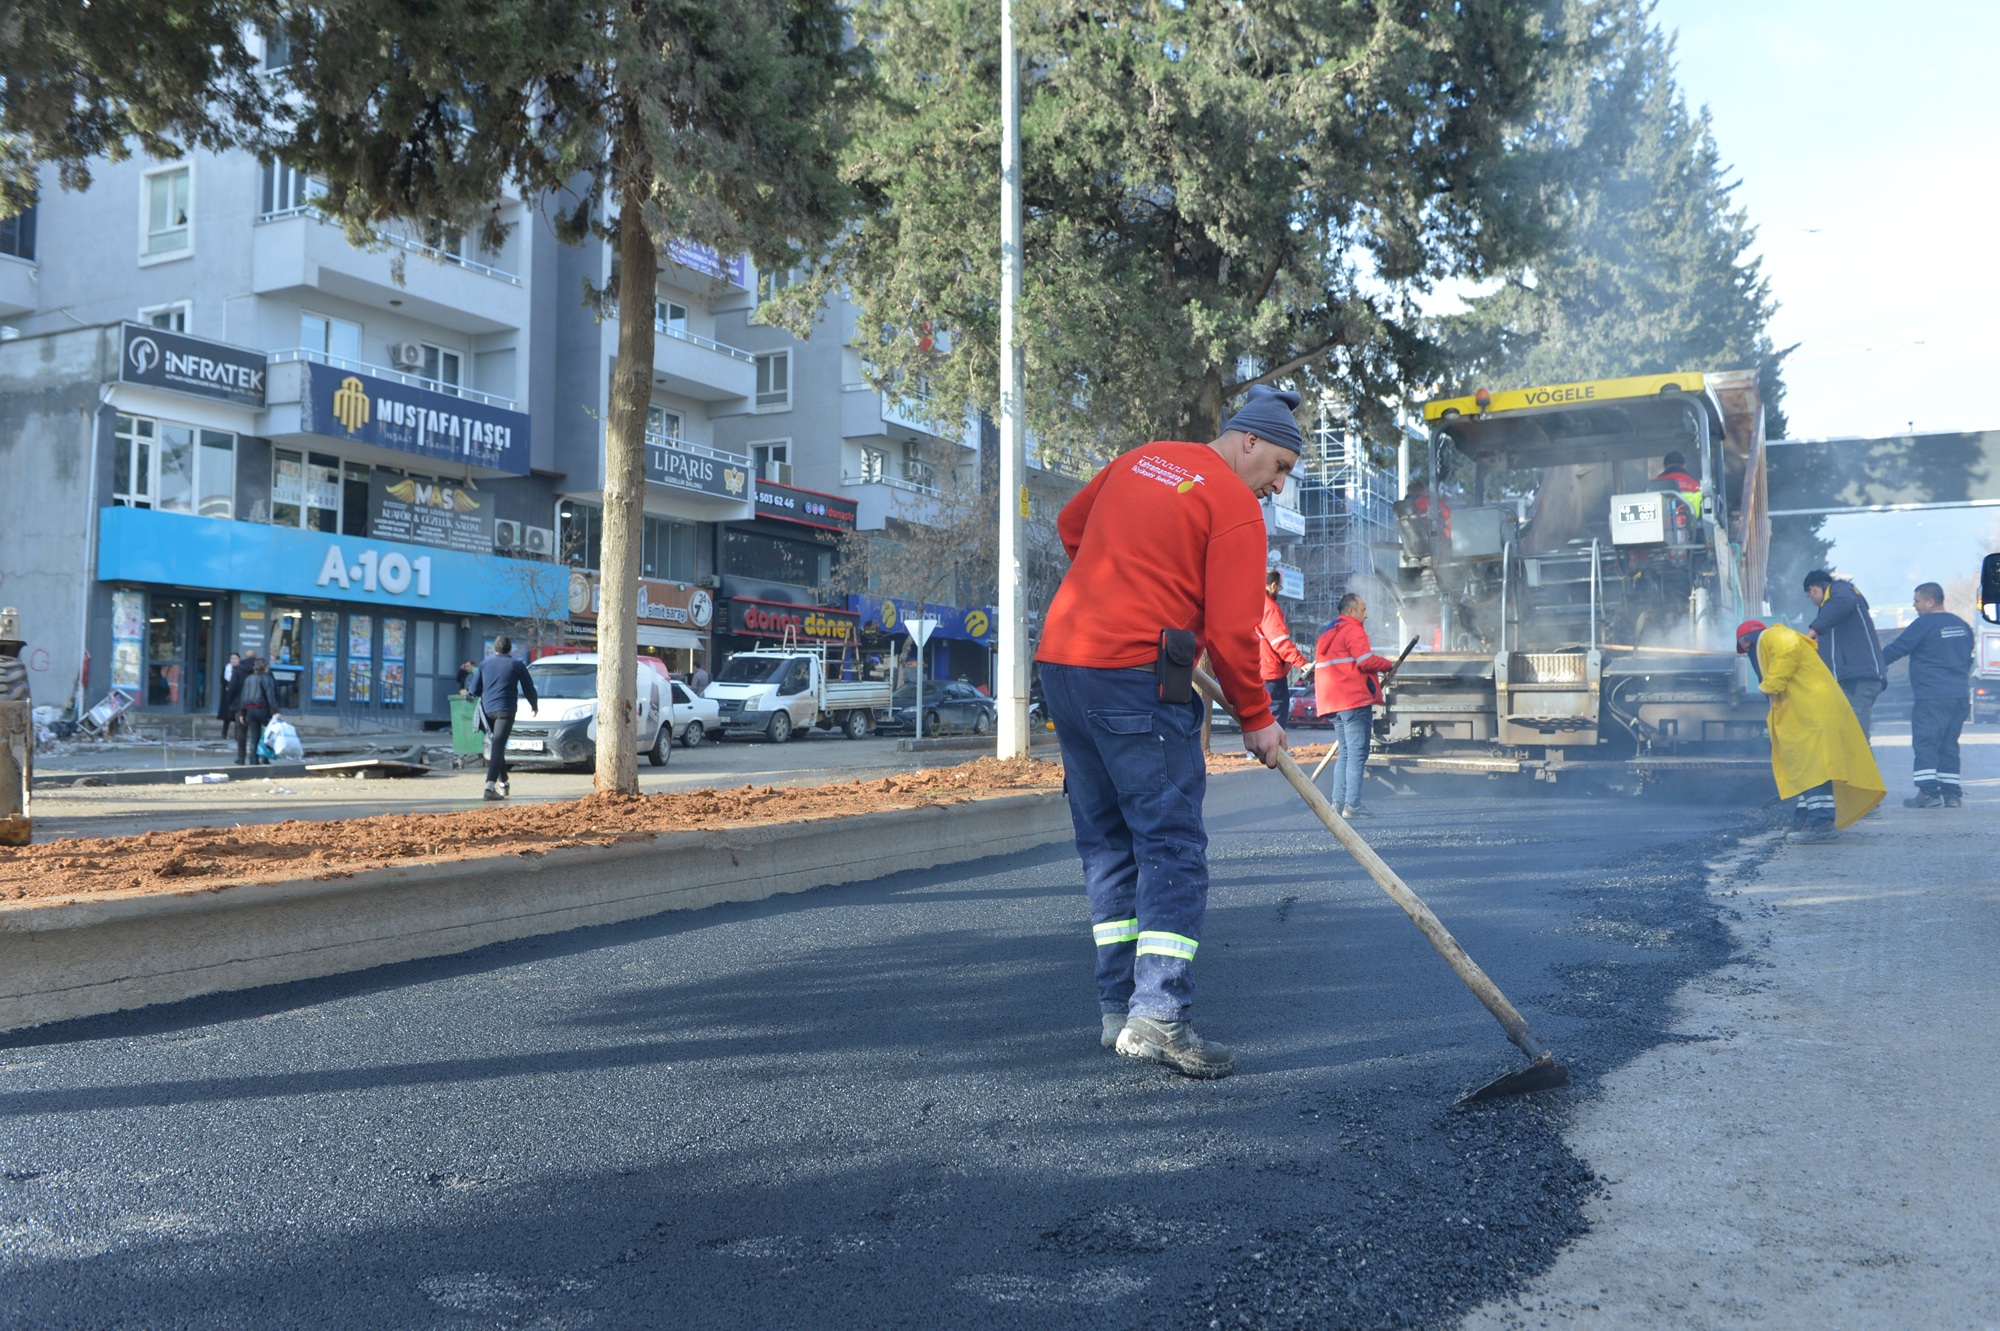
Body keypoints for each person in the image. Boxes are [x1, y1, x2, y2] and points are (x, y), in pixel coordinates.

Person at [1036, 382, 1297, 1080]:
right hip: (1130, 677)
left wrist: (1121, 591)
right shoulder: (1233, 503)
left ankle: (1118, 1011)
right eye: (1278, 466)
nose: (1276, 485)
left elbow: (1070, 525)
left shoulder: (1142, 458)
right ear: (1249, 440)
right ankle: (1159, 1013)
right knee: (1171, 844)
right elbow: (1236, 634)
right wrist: (1259, 721)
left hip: (1064, 663)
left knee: (1107, 842)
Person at [1736, 619, 1884, 841]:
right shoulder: (1768, 641)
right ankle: (1805, 819)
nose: (1748, 652)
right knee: (1805, 767)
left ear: (1747, 639)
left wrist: (1770, 685)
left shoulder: (1772, 635)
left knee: (1815, 765)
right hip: (1806, 712)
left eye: (1746, 646)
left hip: (1813, 713)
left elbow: (1788, 648)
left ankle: (1821, 823)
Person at [1880, 582, 1974, 808]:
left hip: (1932, 697)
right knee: (1949, 744)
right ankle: (1952, 795)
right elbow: (1968, 658)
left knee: (1926, 743)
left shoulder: (1923, 625)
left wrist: (1872, 665)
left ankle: (1928, 793)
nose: (1914, 605)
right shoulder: (1961, 625)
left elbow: (1896, 649)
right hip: (1959, 696)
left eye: (1917, 600)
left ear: (1930, 601)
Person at [1314, 592, 1395, 819]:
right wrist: (1388, 665)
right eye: (1363, 610)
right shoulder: (1353, 629)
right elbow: (1365, 660)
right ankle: (1353, 805)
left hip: (1333, 703)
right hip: (1353, 702)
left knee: (1346, 754)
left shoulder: (1327, 634)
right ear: (1351, 611)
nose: (1366, 615)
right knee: (1357, 754)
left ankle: (1337, 804)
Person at [1802, 569, 1886, 739]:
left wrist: (1811, 634)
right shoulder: (1831, 606)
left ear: (1813, 590)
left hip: (1860, 678)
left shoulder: (1841, 591)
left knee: (1857, 740)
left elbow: (1842, 604)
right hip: (1849, 679)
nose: (1812, 602)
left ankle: (1864, 767)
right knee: (1844, 738)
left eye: (1809, 597)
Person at [465, 636, 540, 800]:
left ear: (495, 649)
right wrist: (534, 705)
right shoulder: (516, 664)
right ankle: (489, 787)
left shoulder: (485, 664)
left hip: (488, 709)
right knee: (498, 745)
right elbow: (528, 687)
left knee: (496, 745)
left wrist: (470, 695)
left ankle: (504, 782)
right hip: (506, 710)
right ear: (509, 649)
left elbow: (474, 690)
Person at [1257, 570, 1309, 726]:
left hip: (1253, 669)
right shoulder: (1269, 607)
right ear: (1273, 585)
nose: (1278, 591)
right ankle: (1273, 750)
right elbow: (1280, 642)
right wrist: (1301, 663)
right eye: (1279, 587)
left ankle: (1255, 751)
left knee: (1258, 718)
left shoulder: (1248, 603)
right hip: (1270, 674)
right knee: (1275, 715)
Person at [234, 659, 276, 766]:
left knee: (254, 736)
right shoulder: (267, 678)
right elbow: (270, 696)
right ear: (265, 668)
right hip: (263, 709)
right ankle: (265, 757)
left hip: (250, 710)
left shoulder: (248, 679)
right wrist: (275, 711)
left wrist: (242, 712)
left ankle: (254, 759)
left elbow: (244, 696)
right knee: (269, 734)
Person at [1651, 450, 1703, 516]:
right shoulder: (1696, 485)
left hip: (1659, 525)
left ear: (1665, 467)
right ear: (1684, 466)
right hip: (1691, 524)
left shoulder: (1652, 485)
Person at [217, 651, 243, 739]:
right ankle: (224, 733)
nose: (233, 660)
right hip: (227, 694)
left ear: (239, 659)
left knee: (237, 717)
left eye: (235, 658)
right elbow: (222, 680)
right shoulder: (226, 668)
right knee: (226, 716)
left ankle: (237, 735)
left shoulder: (241, 669)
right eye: (232, 658)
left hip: (237, 695)